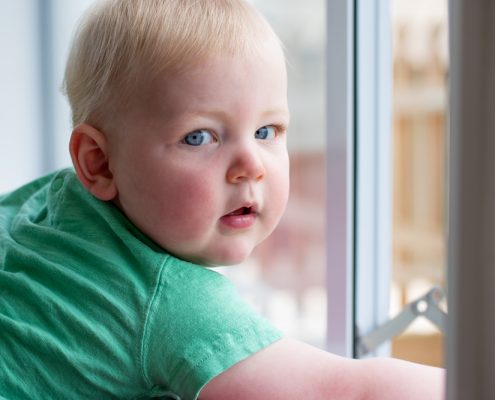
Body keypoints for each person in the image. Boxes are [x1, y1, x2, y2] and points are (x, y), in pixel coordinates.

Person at [0, 0, 445, 398]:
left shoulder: (44, 207)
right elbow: (346, 392)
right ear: (99, 164)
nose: (251, 165)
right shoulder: (170, 300)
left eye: (266, 131)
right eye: (200, 137)